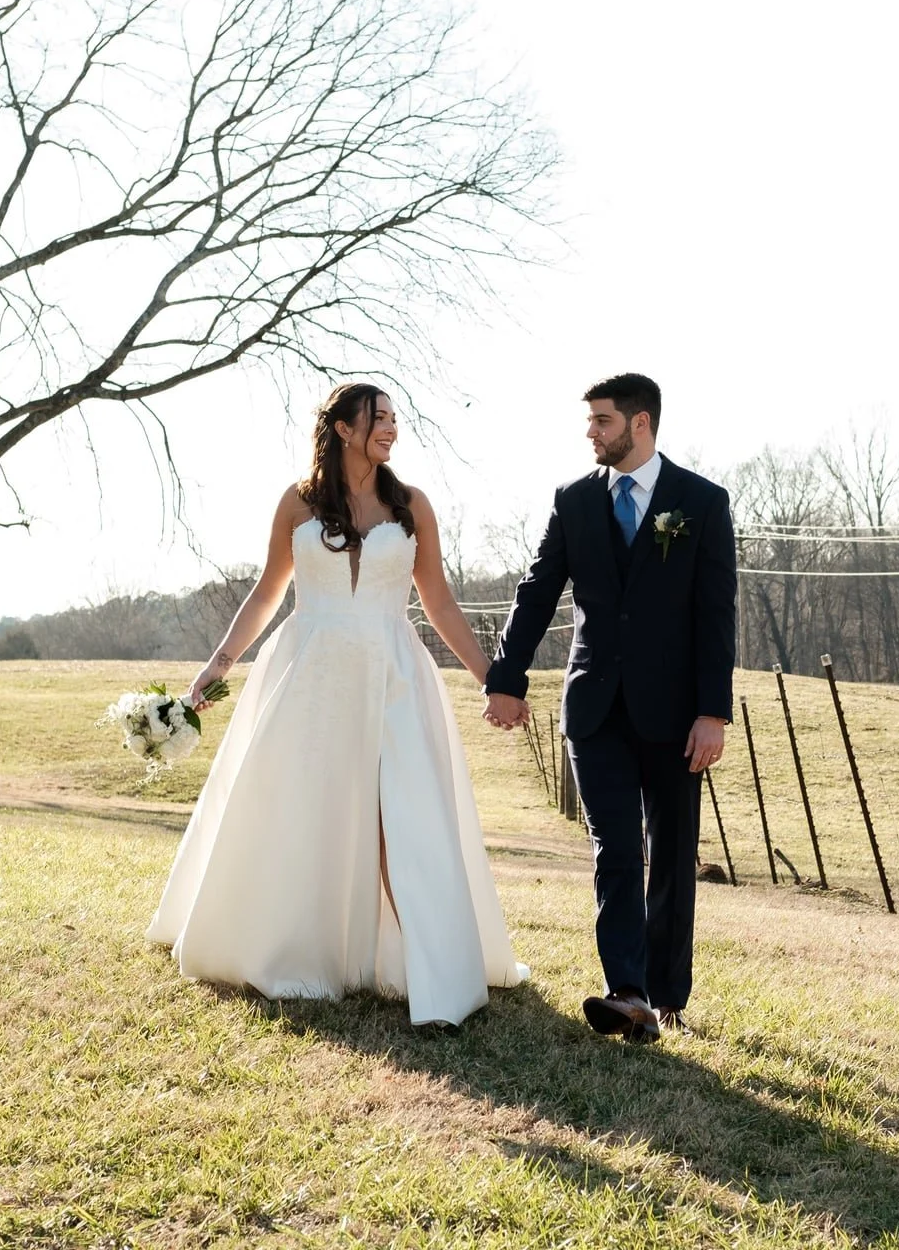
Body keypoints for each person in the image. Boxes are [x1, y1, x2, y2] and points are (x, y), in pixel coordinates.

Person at [146, 381, 530, 1027]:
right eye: (378, 418)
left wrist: (492, 678)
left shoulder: (411, 506)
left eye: (394, 419)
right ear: (344, 428)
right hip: (312, 677)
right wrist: (216, 669)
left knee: (403, 815)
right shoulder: (298, 503)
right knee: (305, 811)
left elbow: (437, 603)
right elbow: (269, 592)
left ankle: (433, 973)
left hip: (394, 675)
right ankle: (299, 951)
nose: (390, 429)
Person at [483, 373, 736, 1043]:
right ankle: (626, 990)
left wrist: (713, 711)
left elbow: (716, 614)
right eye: (590, 421)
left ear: (640, 423)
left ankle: (665, 993)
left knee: (672, 850)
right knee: (615, 847)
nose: (590, 432)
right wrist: (506, 677)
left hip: (678, 714)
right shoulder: (574, 501)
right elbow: (536, 591)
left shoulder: (701, 503)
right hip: (594, 708)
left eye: (601, 421)